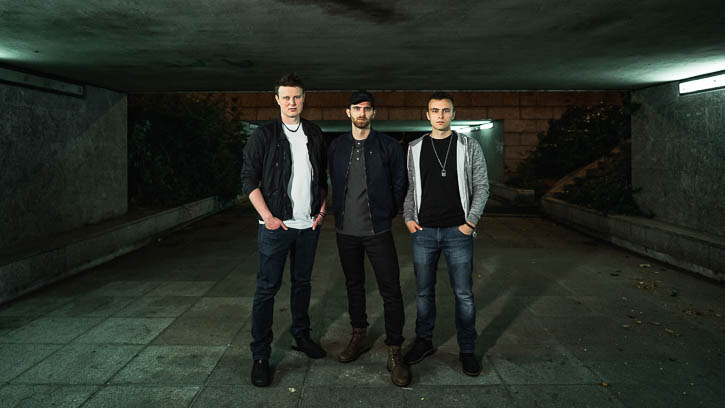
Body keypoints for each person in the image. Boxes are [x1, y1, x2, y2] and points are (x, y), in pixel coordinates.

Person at [241, 73, 328, 387]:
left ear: (304, 99)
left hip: (308, 227)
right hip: (276, 227)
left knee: (302, 284)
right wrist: (267, 217)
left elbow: (322, 178)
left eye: (297, 97)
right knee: (267, 289)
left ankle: (301, 336)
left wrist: (321, 209)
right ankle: (261, 356)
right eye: (286, 97)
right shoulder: (264, 135)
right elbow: (249, 180)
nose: (292, 102)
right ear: (276, 99)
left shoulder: (315, 133)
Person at [402, 92, 489, 376]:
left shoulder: (469, 145)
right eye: (435, 110)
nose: (440, 115)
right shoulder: (414, 147)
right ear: (427, 115)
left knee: (463, 294)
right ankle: (424, 341)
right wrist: (408, 217)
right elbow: (411, 188)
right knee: (424, 293)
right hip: (423, 232)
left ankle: (467, 349)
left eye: (445, 110)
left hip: (458, 232)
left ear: (453, 113)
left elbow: (482, 186)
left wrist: (470, 223)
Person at [327, 91, 410, 386]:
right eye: (356, 108)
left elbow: (401, 183)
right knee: (354, 285)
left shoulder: (388, 146)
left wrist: (389, 212)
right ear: (347, 112)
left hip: (378, 231)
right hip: (346, 231)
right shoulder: (336, 146)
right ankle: (358, 335)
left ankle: (394, 350)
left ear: (374, 113)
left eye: (367, 109)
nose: (361, 113)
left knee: (391, 290)